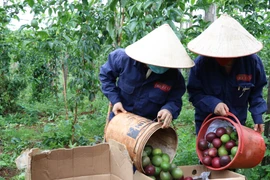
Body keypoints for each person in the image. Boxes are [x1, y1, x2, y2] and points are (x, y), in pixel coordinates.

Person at [99, 24, 194, 128]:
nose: (161, 66)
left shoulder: (174, 76)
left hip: (147, 128)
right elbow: (106, 76)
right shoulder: (124, 60)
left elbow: (175, 99)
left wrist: (168, 109)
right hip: (120, 119)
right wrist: (115, 100)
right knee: (114, 144)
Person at [187, 14, 267, 135]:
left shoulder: (252, 63)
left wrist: (258, 116)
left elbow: (256, 92)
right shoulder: (201, 64)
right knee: (208, 152)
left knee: (235, 151)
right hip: (207, 124)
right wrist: (213, 104)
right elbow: (194, 94)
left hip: (237, 122)